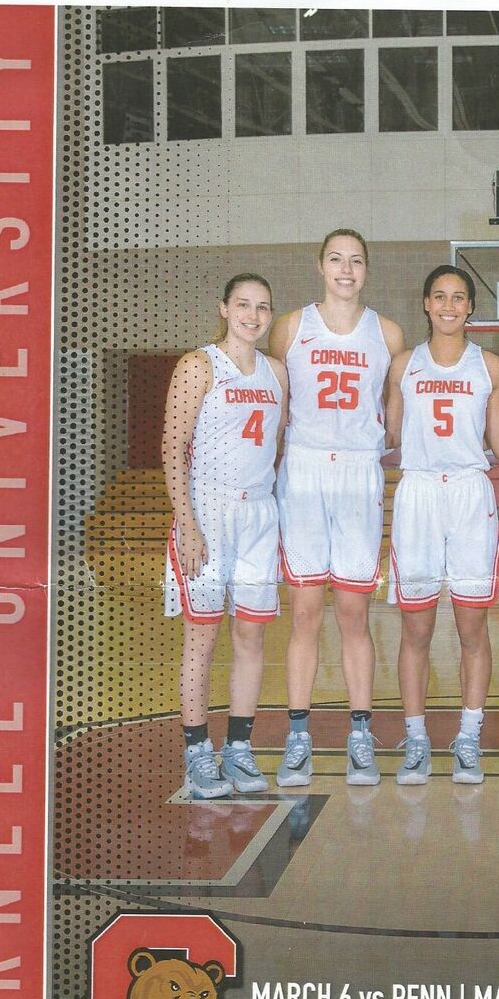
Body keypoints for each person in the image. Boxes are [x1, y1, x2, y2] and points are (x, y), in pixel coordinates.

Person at [269, 230, 404, 787]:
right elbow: (272, 402)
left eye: (355, 261)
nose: (345, 270)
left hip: (357, 470)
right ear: (319, 265)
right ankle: (298, 736)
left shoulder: (388, 333)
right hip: (302, 469)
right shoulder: (291, 327)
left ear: (366, 269)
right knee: (303, 612)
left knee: (354, 613)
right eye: (335, 260)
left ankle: (359, 736)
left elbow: (395, 413)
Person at [385, 265, 499, 786]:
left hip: (469, 492)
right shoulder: (402, 365)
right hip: (418, 491)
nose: (448, 305)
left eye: (458, 297)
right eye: (439, 295)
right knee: (416, 627)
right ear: (425, 303)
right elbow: (393, 432)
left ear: (470, 307)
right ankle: (416, 738)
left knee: (471, 626)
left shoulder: (490, 366)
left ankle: (468, 735)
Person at [163, 273, 288, 798]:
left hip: (259, 513)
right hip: (207, 512)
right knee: (202, 637)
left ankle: (238, 748)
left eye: (262, 307)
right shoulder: (198, 366)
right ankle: (197, 751)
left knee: (251, 636)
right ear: (223, 308)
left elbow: (275, 446)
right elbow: (172, 447)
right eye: (243, 305)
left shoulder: (277, 371)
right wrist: (187, 522)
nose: (252, 316)